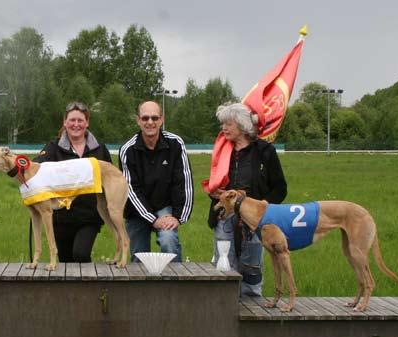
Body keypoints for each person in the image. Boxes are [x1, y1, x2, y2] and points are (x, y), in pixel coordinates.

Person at [207, 103, 287, 296]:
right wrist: (214, 192)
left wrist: (264, 205)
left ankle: (253, 313)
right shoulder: (222, 150)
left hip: (254, 221)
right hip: (224, 218)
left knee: (251, 270)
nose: (223, 128)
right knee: (224, 268)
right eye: (222, 124)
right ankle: (224, 308)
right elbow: (214, 183)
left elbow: (280, 188)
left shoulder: (265, 151)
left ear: (242, 125)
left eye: (228, 124)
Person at [33, 101, 112, 263]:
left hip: (89, 216)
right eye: (72, 120)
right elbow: (35, 168)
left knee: (81, 255)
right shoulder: (53, 147)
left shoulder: (100, 149)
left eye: (80, 120)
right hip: (61, 217)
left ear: (87, 123)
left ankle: (89, 288)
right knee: (65, 262)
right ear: (65, 122)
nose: (76, 125)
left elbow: (109, 179)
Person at [119, 100, 193, 263]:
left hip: (164, 208)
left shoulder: (176, 143)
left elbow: (184, 183)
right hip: (137, 212)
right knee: (139, 259)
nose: (150, 122)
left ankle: (175, 285)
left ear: (162, 119)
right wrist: (152, 219)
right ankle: (141, 289)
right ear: (138, 120)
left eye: (154, 118)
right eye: (145, 118)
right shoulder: (127, 149)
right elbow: (131, 190)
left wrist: (178, 217)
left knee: (169, 241)